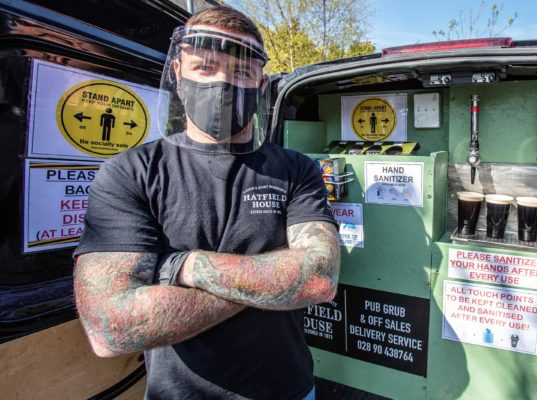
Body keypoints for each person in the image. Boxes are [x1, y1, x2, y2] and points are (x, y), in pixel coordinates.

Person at [73, 6, 340, 400]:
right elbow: (111, 328)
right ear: (179, 73)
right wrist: (278, 279)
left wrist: (185, 265)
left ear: (261, 84)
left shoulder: (295, 169)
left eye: (241, 72)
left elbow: (318, 277)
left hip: (288, 390)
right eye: (206, 67)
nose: (222, 82)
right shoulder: (130, 173)